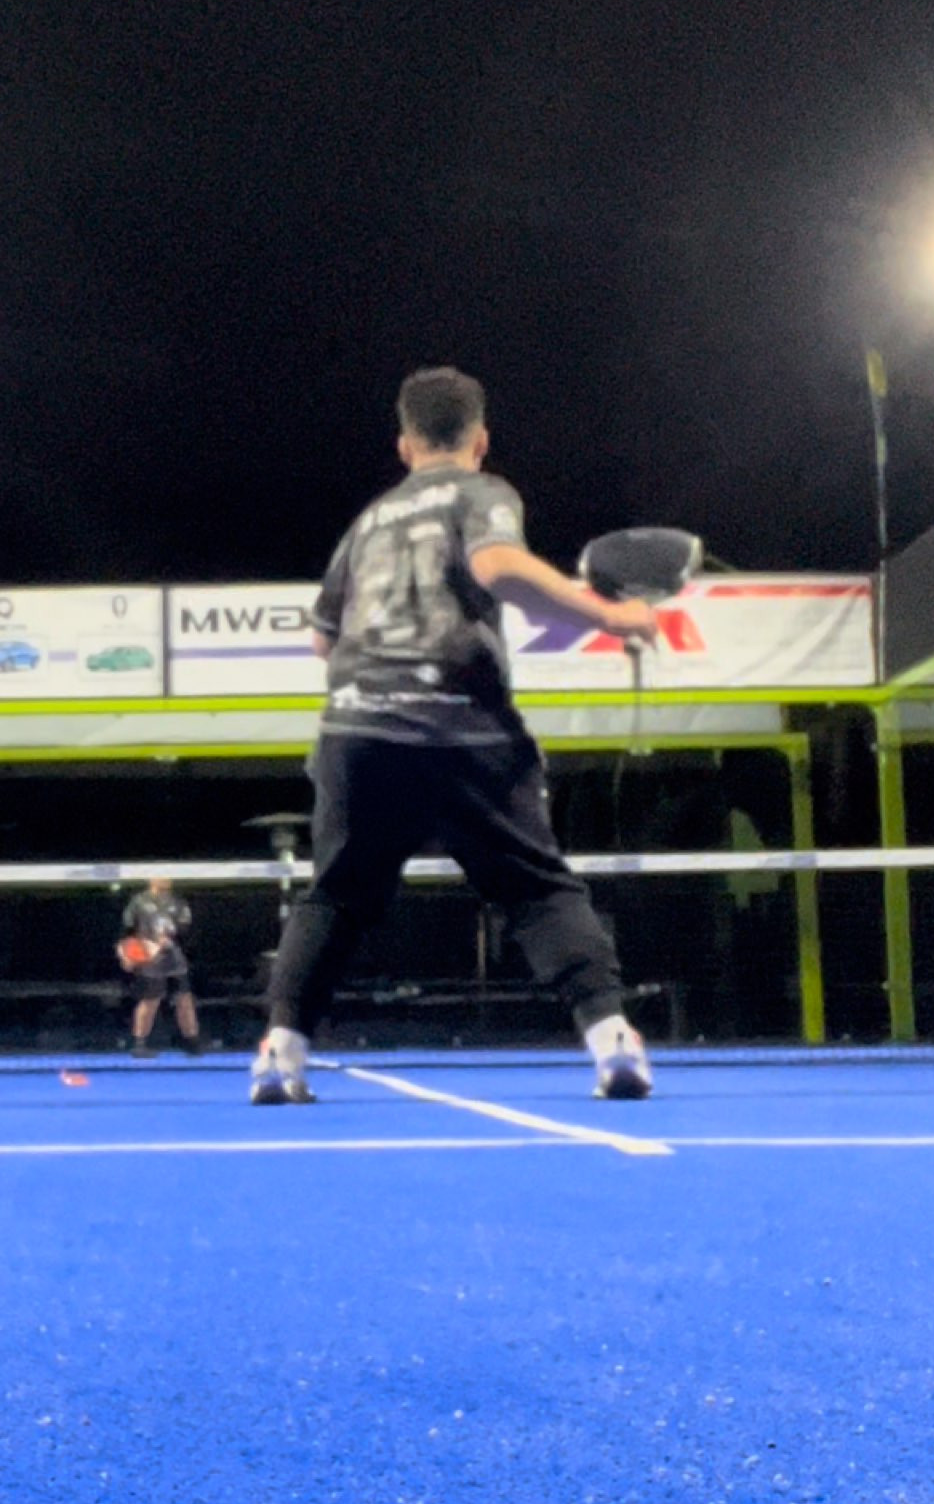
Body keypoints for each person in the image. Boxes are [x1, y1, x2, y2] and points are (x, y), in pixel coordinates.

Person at [251, 367, 658, 1105]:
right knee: (537, 890)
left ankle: (281, 1055)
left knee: (335, 897)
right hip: (461, 724)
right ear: (481, 440)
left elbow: (322, 640)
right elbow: (499, 567)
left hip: (357, 727)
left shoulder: (367, 522)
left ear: (405, 445)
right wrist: (612, 616)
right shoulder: (481, 491)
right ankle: (613, 1043)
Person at [118, 876, 202, 1054]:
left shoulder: (178, 902)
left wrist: (171, 939)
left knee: (184, 998)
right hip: (148, 959)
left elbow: (185, 929)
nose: (166, 879)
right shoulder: (138, 902)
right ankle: (140, 1043)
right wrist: (127, 954)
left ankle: (191, 1041)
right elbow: (127, 930)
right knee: (150, 999)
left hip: (174, 959)